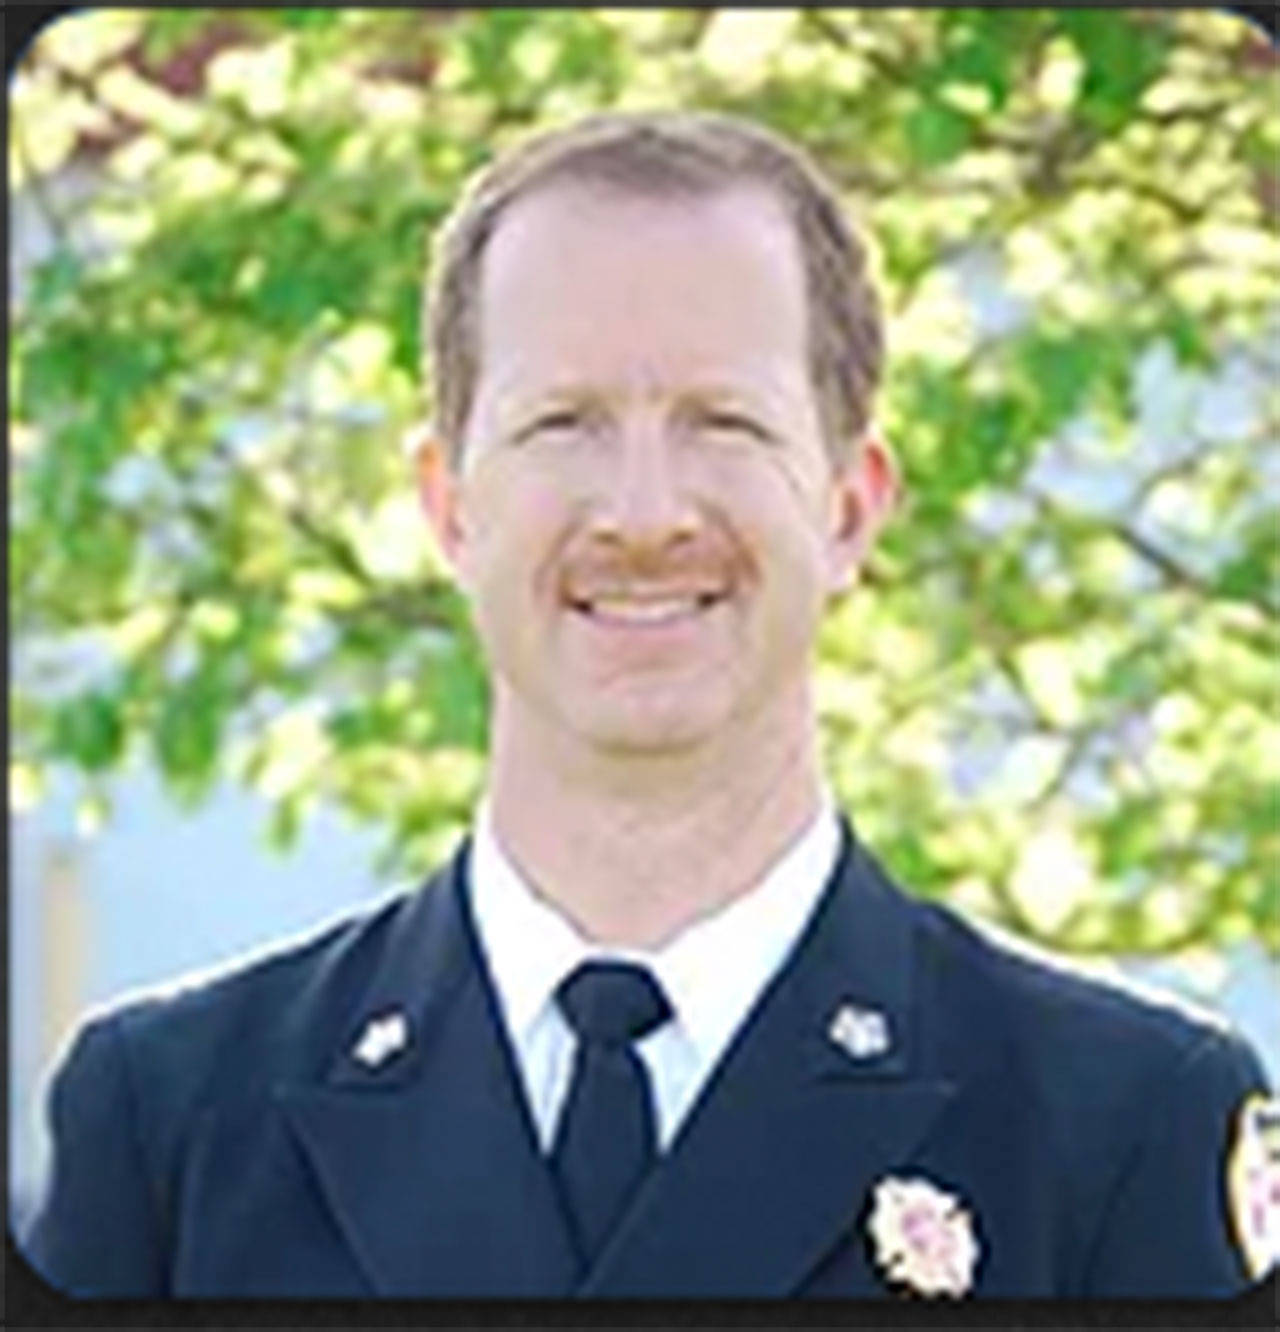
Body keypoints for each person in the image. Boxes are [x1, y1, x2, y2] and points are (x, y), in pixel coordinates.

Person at [22, 110, 1277, 1300]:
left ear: (848, 508)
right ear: (449, 507)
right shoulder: (171, 1123)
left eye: (723, 421)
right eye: (561, 421)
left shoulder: (1127, 1125)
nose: (642, 514)